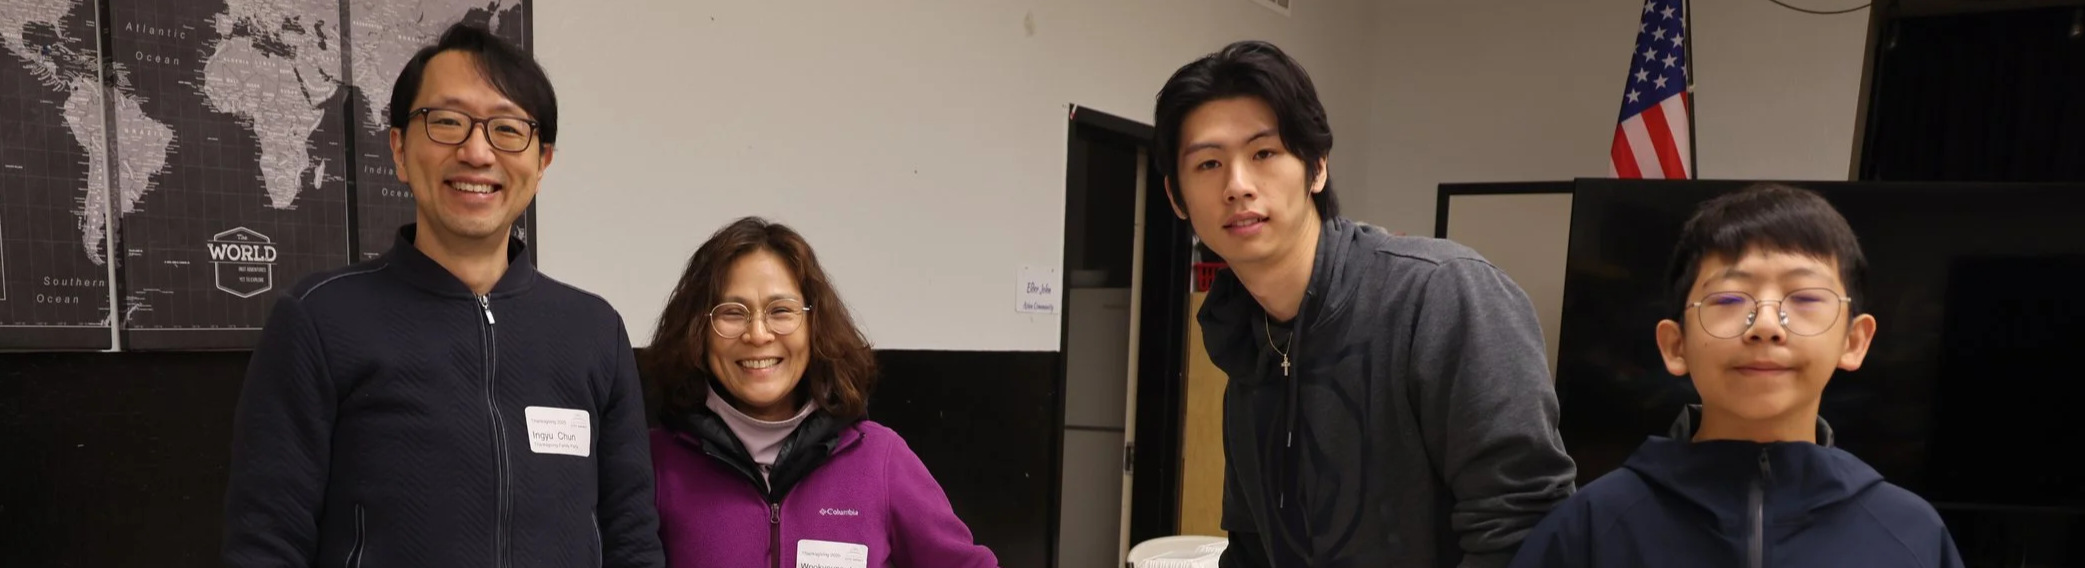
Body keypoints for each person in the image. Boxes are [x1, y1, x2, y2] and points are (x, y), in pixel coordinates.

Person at [221, 22, 663, 567]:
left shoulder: (594, 331)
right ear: (400, 149)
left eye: (507, 129)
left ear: (542, 163)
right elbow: (266, 544)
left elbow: (632, 540)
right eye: (448, 122)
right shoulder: (320, 320)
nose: (476, 152)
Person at [1153, 40, 1577, 567]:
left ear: (1317, 167)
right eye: (1209, 163)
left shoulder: (1442, 296)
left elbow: (1524, 526)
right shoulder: (1246, 338)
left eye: (1264, 153)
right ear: (1176, 198)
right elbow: (1253, 547)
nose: (1237, 186)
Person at [1507, 184, 1965, 568]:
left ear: (1854, 341)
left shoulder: (1912, 534)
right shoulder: (1589, 529)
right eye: (1728, 300)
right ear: (1675, 346)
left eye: (1805, 298)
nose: (1765, 325)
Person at [643, 217, 999, 568]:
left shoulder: (880, 459)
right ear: (699, 330)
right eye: (732, 313)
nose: (758, 334)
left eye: (781, 311)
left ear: (815, 325)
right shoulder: (655, 463)